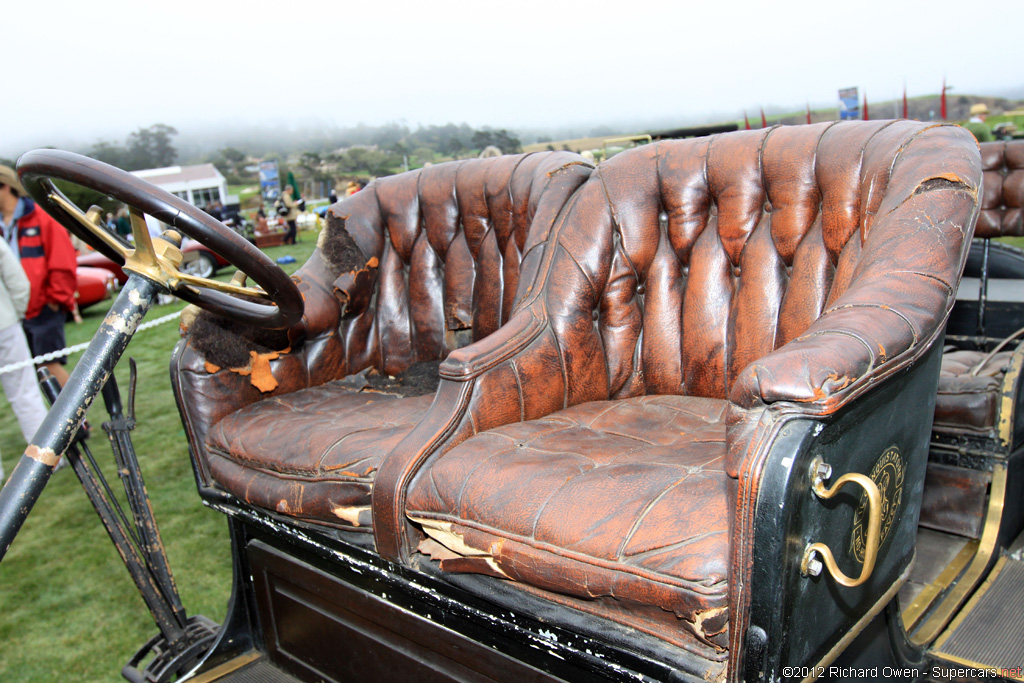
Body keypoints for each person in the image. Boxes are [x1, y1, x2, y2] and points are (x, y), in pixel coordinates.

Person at [0, 165, 77, 388]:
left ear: (5, 187)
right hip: (16, 311)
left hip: (43, 306)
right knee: (34, 373)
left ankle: (78, 421)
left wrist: (55, 299)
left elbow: (62, 260)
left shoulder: (40, 217)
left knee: (48, 366)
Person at [0, 238, 49, 481]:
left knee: (24, 389)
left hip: (6, 322)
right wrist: (15, 312)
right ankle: (43, 455)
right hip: (5, 323)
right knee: (24, 389)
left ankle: (42, 454)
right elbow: (17, 280)